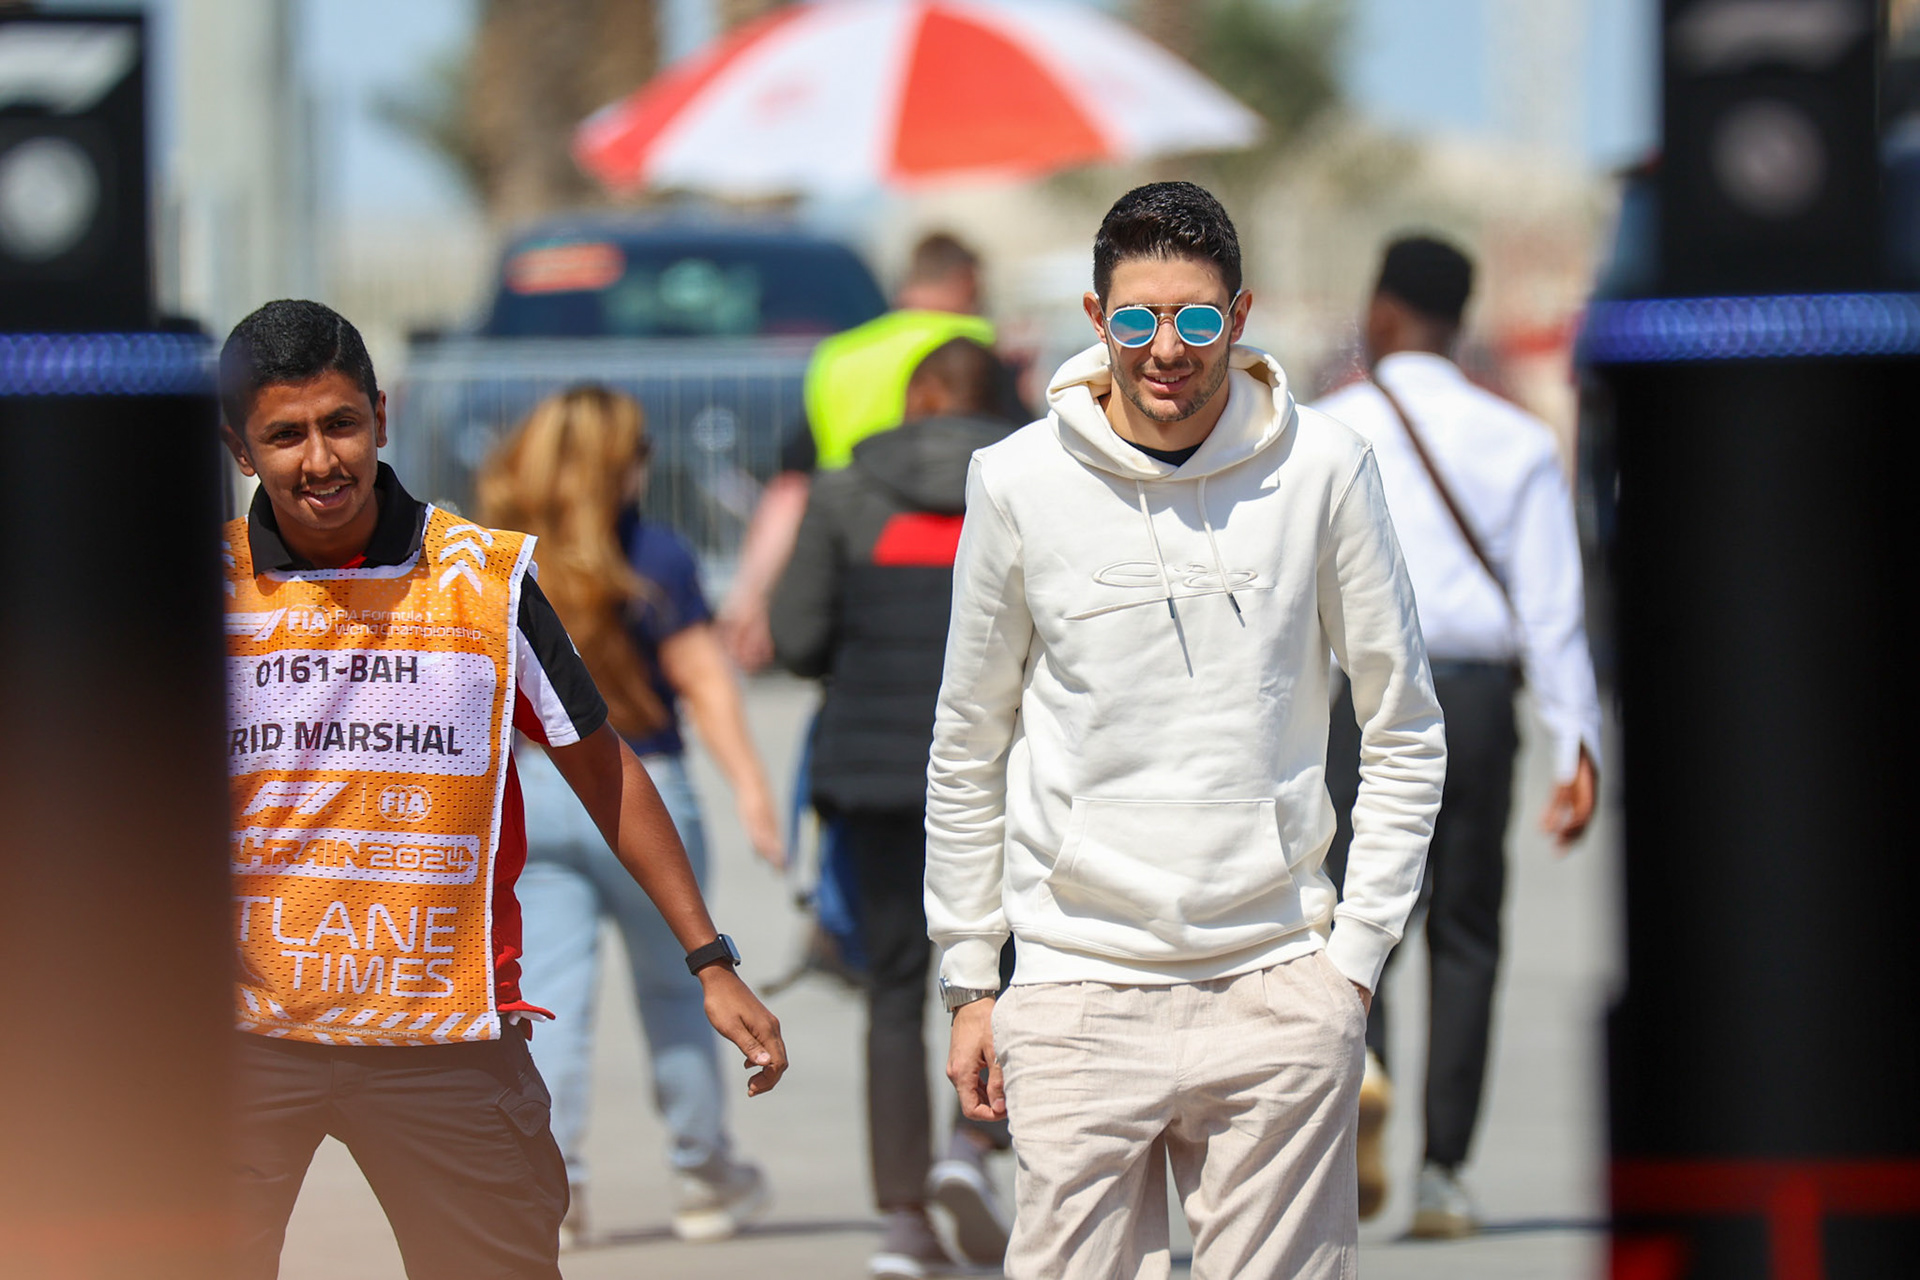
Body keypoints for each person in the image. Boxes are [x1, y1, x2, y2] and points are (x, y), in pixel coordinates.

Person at [926, 182, 1447, 1279]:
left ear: (1240, 315)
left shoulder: (1325, 468)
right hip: (1074, 983)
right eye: (1138, 318)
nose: (1167, 348)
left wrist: (1353, 962)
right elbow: (969, 739)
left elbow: (1402, 724)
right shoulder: (1016, 480)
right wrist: (972, 975)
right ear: (1096, 316)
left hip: (1277, 978)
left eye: (1197, 318)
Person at [218, 300, 787, 1280]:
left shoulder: (486, 580)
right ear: (239, 448)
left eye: (340, 423)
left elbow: (603, 767)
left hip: (443, 1038)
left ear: (381, 417)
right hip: (242, 1033)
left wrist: (710, 958)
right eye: (285, 435)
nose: (320, 459)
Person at [1313, 235, 1601, 1237]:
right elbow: (1553, 607)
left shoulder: (1328, 428)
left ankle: (1363, 1068)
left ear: (1383, 312)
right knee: (1468, 931)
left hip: (1362, 696)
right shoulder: (1515, 436)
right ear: (1461, 319)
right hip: (1474, 697)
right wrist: (1576, 742)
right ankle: (1443, 1173)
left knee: (1358, 910)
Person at [474, 385, 785, 1247]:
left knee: (552, 1000)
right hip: (643, 795)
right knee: (683, 989)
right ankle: (704, 1176)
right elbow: (704, 680)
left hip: (537, 788)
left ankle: (560, 1186)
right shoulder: (656, 554)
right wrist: (752, 788)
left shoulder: (503, 559)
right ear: (623, 464)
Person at [769, 340, 1018, 1279]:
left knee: (894, 993)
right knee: (1011, 977)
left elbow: (795, 638)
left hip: (876, 778)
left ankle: (906, 1223)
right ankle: (971, 1146)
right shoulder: (1030, 488)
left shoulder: (844, 494)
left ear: (916, 400)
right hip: (1005, 779)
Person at [717, 232, 1003, 673]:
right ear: (966, 281)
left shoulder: (837, 355)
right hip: (956, 547)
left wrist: (749, 595)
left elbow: (793, 484)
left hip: (844, 548)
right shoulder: (979, 344)